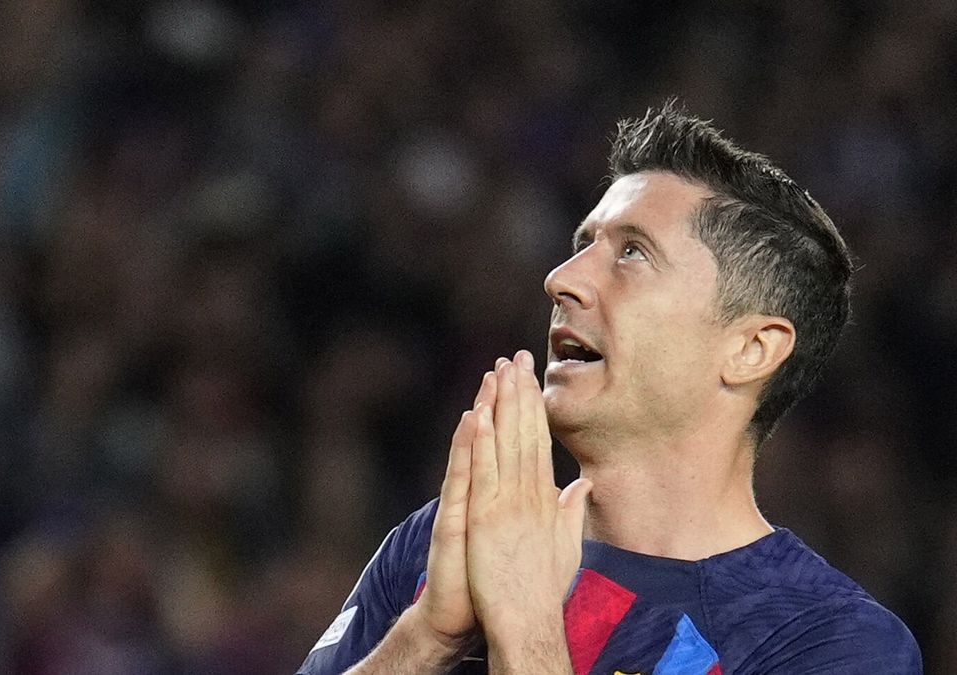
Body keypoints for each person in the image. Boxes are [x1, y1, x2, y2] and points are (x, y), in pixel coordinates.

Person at [297, 102, 922, 674]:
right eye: (582, 245)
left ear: (750, 349)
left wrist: (528, 629)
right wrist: (427, 636)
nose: (561, 279)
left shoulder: (831, 640)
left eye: (632, 254)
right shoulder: (451, 542)